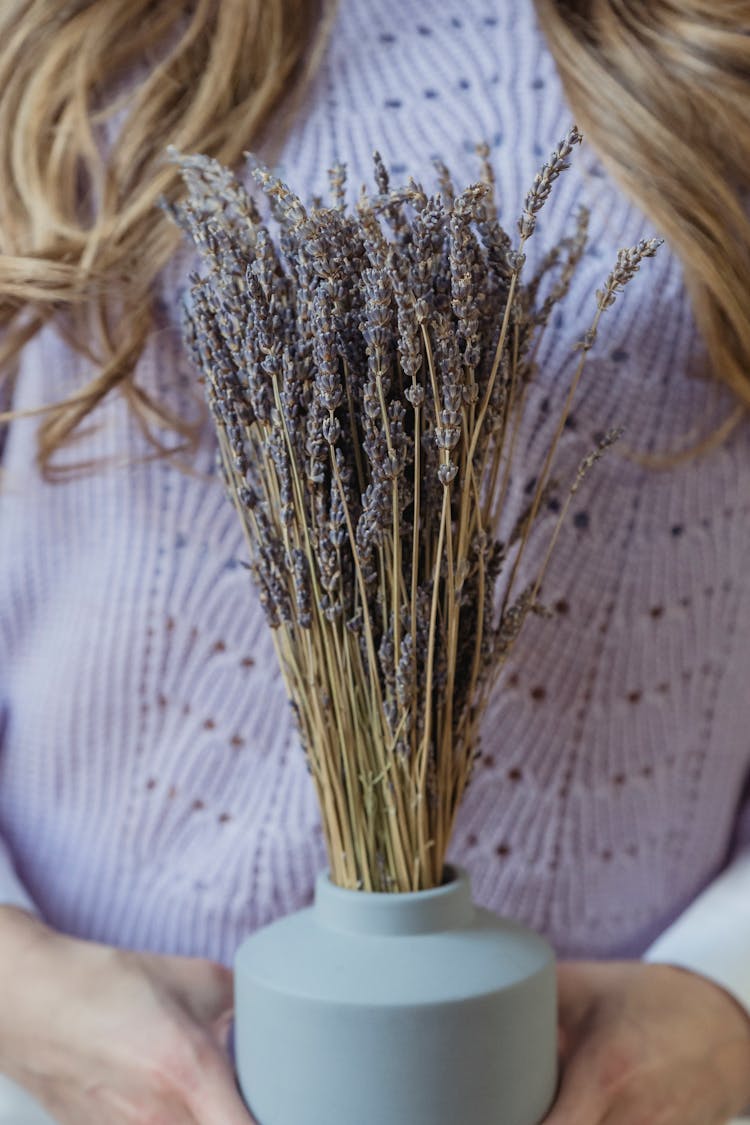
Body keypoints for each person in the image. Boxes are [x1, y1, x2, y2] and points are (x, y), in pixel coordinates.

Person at [1, 1, 749, 1123]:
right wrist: (20, 990)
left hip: (610, 1087)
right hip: (66, 1072)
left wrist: (726, 997)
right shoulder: (69, 32)